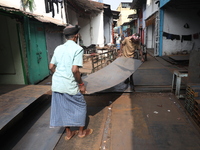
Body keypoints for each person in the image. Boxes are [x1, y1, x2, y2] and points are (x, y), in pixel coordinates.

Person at [49, 24, 93, 140]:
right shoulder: (78, 49)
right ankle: (81, 132)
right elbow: (75, 70)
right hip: (69, 85)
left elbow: (51, 66)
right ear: (76, 36)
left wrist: (58, 76)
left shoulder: (58, 48)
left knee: (63, 108)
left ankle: (69, 134)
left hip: (57, 84)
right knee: (81, 106)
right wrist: (81, 84)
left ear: (66, 37)